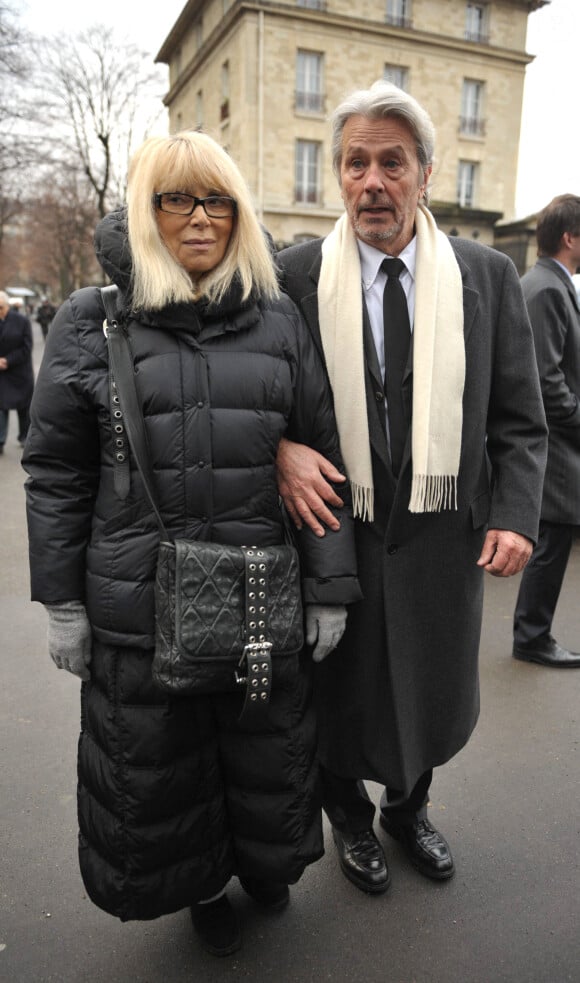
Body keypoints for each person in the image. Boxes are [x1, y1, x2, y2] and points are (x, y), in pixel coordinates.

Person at [23, 130, 361, 957]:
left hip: (256, 594)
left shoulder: (278, 319)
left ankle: (266, 865)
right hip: (136, 600)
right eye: (176, 198)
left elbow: (321, 455)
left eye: (217, 199)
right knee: (164, 761)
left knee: (264, 746)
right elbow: (56, 473)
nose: (200, 217)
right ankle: (203, 883)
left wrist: (329, 586)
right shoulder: (91, 319)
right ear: (147, 211)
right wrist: (62, 601)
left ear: (239, 214)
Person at [276, 81, 548, 894]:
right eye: (355, 163)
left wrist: (515, 513)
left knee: (426, 692)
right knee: (338, 693)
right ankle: (351, 820)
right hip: (334, 533)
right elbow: (254, 393)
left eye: (392, 162)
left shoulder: (487, 274)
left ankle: (407, 805)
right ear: (338, 176)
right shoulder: (293, 276)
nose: (372, 182)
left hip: (440, 536)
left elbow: (519, 416)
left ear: (425, 174)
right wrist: (283, 447)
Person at [512, 195, 580, 668]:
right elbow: (546, 380)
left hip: (557, 443)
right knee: (550, 545)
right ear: (569, 237)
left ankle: (533, 633)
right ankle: (532, 637)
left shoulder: (548, 284)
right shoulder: (548, 289)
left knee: (551, 544)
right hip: (556, 448)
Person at [0, 290, 34, 454]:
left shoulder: (21, 321)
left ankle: (24, 437)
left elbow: (27, 346)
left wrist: (8, 360)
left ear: (7, 306)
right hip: (1, 374)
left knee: (23, 407)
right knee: (1, 408)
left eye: (0, 307)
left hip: (19, 371)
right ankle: (0, 441)